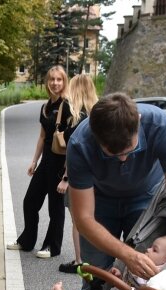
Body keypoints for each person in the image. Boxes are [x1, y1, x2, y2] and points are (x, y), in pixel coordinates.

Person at [66, 92, 166, 290]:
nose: (124, 159)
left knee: (149, 277)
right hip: (98, 204)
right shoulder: (80, 144)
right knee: (97, 279)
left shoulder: (161, 127)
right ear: (95, 134)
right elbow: (83, 219)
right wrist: (127, 255)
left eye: (129, 150)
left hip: (145, 198)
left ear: (138, 122)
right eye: (113, 154)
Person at [7, 65, 71, 258]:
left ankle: (52, 246)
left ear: (64, 82)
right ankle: (27, 241)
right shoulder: (45, 107)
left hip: (61, 164)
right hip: (46, 162)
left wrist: (66, 176)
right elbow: (42, 136)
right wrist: (34, 161)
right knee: (30, 201)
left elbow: (72, 141)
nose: (55, 83)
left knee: (55, 207)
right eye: (52, 79)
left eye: (59, 79)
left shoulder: (67, 105)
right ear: (47, 82)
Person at [56, 74, 98, 273]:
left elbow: (73, 153)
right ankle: (95, 259)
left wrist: (65, 178)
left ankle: (80, 260)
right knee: (95, 217)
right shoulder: (98, 114)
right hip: (98, 175)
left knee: (79, 219)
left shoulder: (75, 118)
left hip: (78, 176)